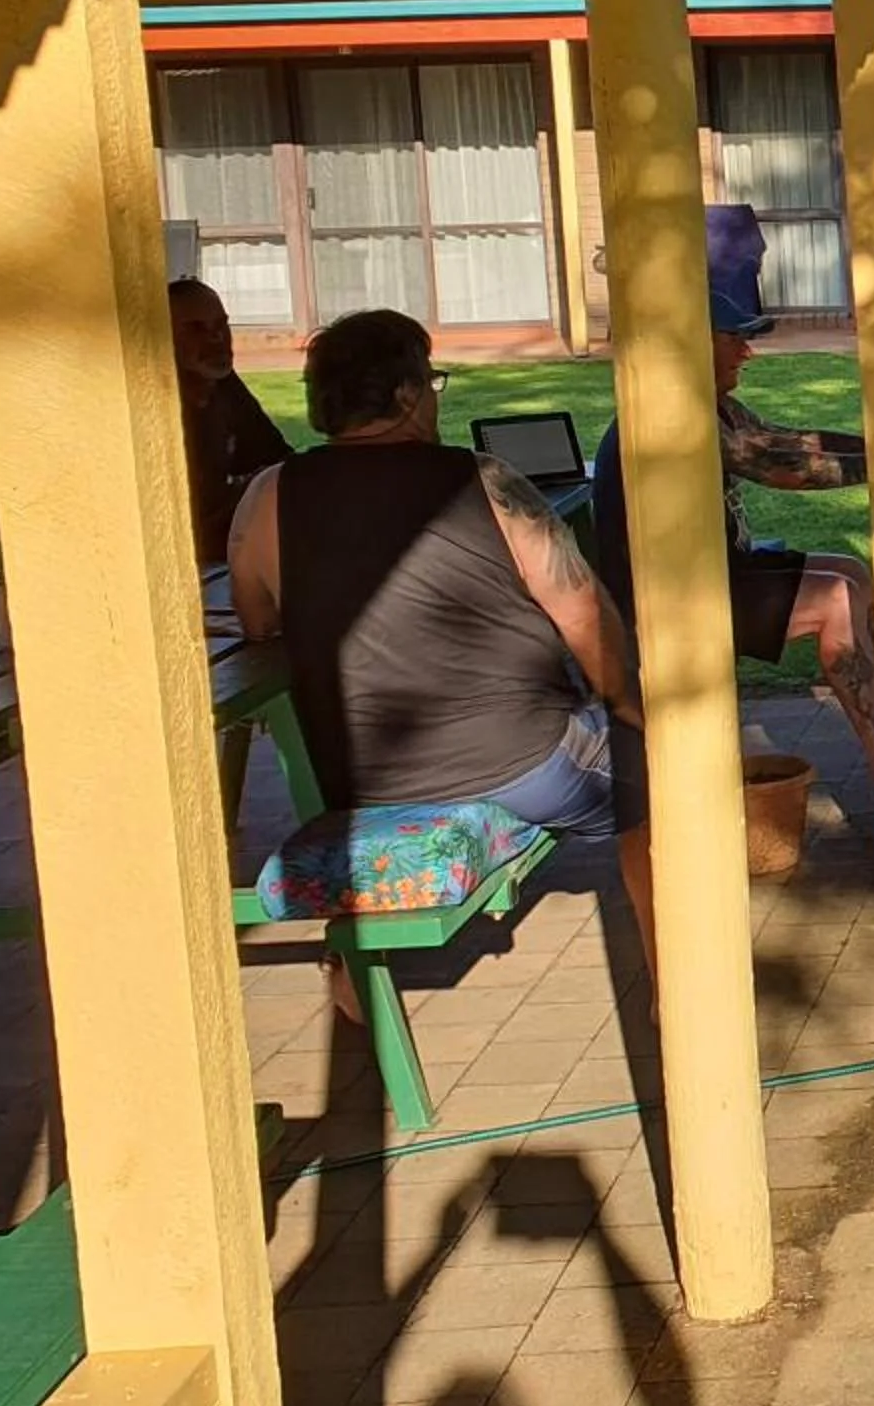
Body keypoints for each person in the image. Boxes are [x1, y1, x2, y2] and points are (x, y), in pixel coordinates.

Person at [227, 310, 653, 985]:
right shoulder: (483, 480)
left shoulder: (268, 494)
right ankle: (674, 984)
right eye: (430, 382)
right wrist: (629, 704)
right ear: (403, 396)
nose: (432, 396)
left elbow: (255, 622)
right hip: (524, 762)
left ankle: (353, 978)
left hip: (366, 780)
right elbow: (581, 608)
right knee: (665, 775)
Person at [591, 287, 874, 790]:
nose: (747, 352)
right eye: (735, 337)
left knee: (851, 572)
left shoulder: (713, 406)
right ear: (690, 343)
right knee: (836, 600)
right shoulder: (670, 417)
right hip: (672, 607)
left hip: (716, 575)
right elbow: (783, 467)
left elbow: (792, 440)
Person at [169, 277, 294, 568]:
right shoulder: (155, 409)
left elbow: (277, 462)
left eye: (221, 325)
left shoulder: (223, 386)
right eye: (196, 329)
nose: (216, 339)